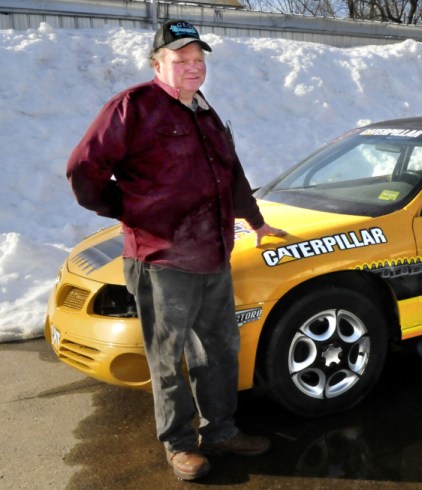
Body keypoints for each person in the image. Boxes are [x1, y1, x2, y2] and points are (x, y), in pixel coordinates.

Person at [66, 20, 286, 481]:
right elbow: (84, 169)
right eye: (181, 59)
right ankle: (180, 444)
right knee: (168, 357)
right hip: (162, 258)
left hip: (212, 252)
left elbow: (231, 172)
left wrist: (256, 221)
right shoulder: (134, 107)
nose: (193, 67)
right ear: (157, 63)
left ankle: (221, 430)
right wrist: (126, 209)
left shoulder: (204, 111)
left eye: (198, 59)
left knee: (220, 350)